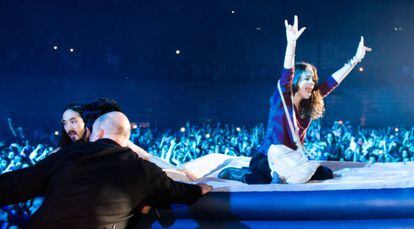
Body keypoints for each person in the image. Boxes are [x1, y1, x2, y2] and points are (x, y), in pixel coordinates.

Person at [220, 15, 371, 184]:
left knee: (325, 173)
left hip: (291, 160)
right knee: (260, 177)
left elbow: (331, 83)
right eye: (307, 78)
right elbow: (287, 73)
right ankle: (238, 174)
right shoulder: (282, 98)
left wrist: (356, 59)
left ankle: (280, 176)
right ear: (296, 80)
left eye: (313, 79)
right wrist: (291, 43)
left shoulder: (309, 102)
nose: (312, 83)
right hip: (268, 157)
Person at [0, 111, 211, 228]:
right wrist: (203, 187)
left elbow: (16, 184)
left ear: (99, 132)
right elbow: (179, 192)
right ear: (127, 138)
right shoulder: (143, 169)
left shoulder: (68, 154)